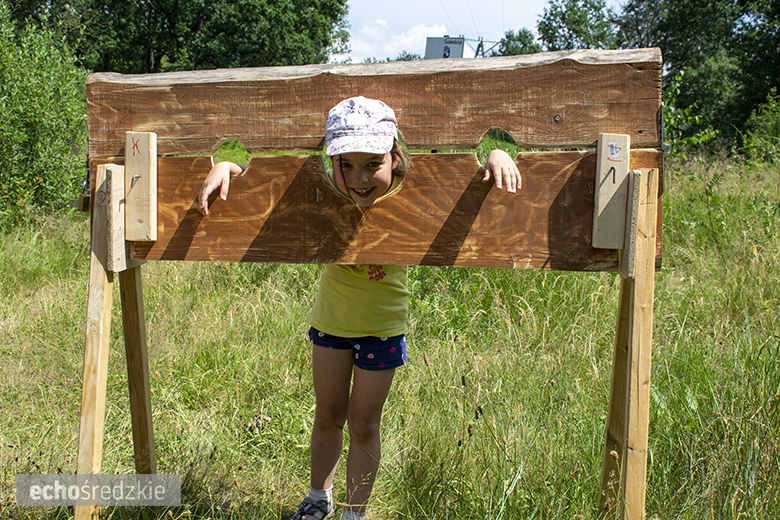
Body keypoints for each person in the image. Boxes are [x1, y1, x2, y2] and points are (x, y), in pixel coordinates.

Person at [198, 96, 522, 520]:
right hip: (330, 325)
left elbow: (473, 176)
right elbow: (262, 178)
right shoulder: (328, 191)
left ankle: (355, 512)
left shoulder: (414, 195)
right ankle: (319, 498)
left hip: (382, 331)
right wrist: (228, 167)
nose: (359, 177)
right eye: (346, 165)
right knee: (328, 415)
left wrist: (496, 154)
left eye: (372, 163)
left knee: (364, 422)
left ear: (394, 157)